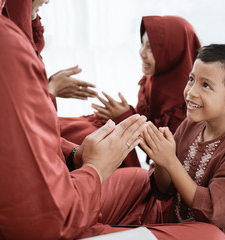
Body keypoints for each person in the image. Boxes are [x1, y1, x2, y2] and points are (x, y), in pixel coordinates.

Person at [0, 1, 225, 239]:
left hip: (59, 201)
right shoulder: (7, 46)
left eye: (153, 48)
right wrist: (95, 167)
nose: (193, 92)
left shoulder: (199, 116)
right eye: (143, 45)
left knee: (129, 169)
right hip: (54, 214)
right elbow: (45, 219)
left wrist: (80, 154)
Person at [140, 44, 225, 239]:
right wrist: (160, 158)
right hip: (180, 229)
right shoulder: (191, 125)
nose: (191, 92)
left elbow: (212, 212)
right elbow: (164, 189)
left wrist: (171, 162)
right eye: (191, 79)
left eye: (205, 85)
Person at [59, 15, 201, 166]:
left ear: (173, 51)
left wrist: (125, 116)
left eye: (151, 48)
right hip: (120, 138)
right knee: (70, 130)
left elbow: (169, 156)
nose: (141, 52)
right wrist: (122, 114)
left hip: (165, 172)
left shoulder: (192, 103)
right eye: (142, 44)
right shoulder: (151, 81)